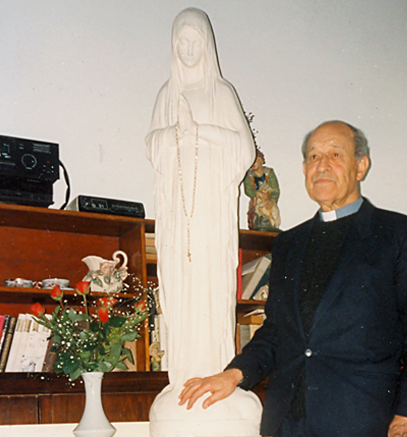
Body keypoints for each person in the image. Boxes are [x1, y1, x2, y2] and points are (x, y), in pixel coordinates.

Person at [178, 120, 407, 437]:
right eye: (314, 157)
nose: (322, 165)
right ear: (304, 169)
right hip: (287, 421)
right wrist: (234, 374)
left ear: (361, 166)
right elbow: (276, 331)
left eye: (335, 154)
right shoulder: (288, 243)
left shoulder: (399, 234)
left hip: (364, 421)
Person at [145, 7, 255, 387]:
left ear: (207, 46)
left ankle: (215, 376)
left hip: (210, 211)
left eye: (196, 42)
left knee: (209, 290)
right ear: (173, 45)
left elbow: (244, 150)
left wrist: (198, 131)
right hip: (178, 214)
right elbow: (152, 144)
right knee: (180, 289)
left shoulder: (221, 92)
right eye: (183, 42)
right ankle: (182, 379)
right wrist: (174, 133)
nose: (190, 50)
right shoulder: (167, 94)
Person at [244, 149, 281, 231]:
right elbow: (248, 190)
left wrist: (272, 200)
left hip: (268, 199)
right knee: (256, 212)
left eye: (256, 160)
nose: (253, 163)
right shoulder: (249, 175)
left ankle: (270, 224)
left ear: (261, 160)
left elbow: (275, 190)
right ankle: (258, 223)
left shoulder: (269, 173)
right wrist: (257, 194)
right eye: (251, 161)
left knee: (271, 210)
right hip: (257, 200)